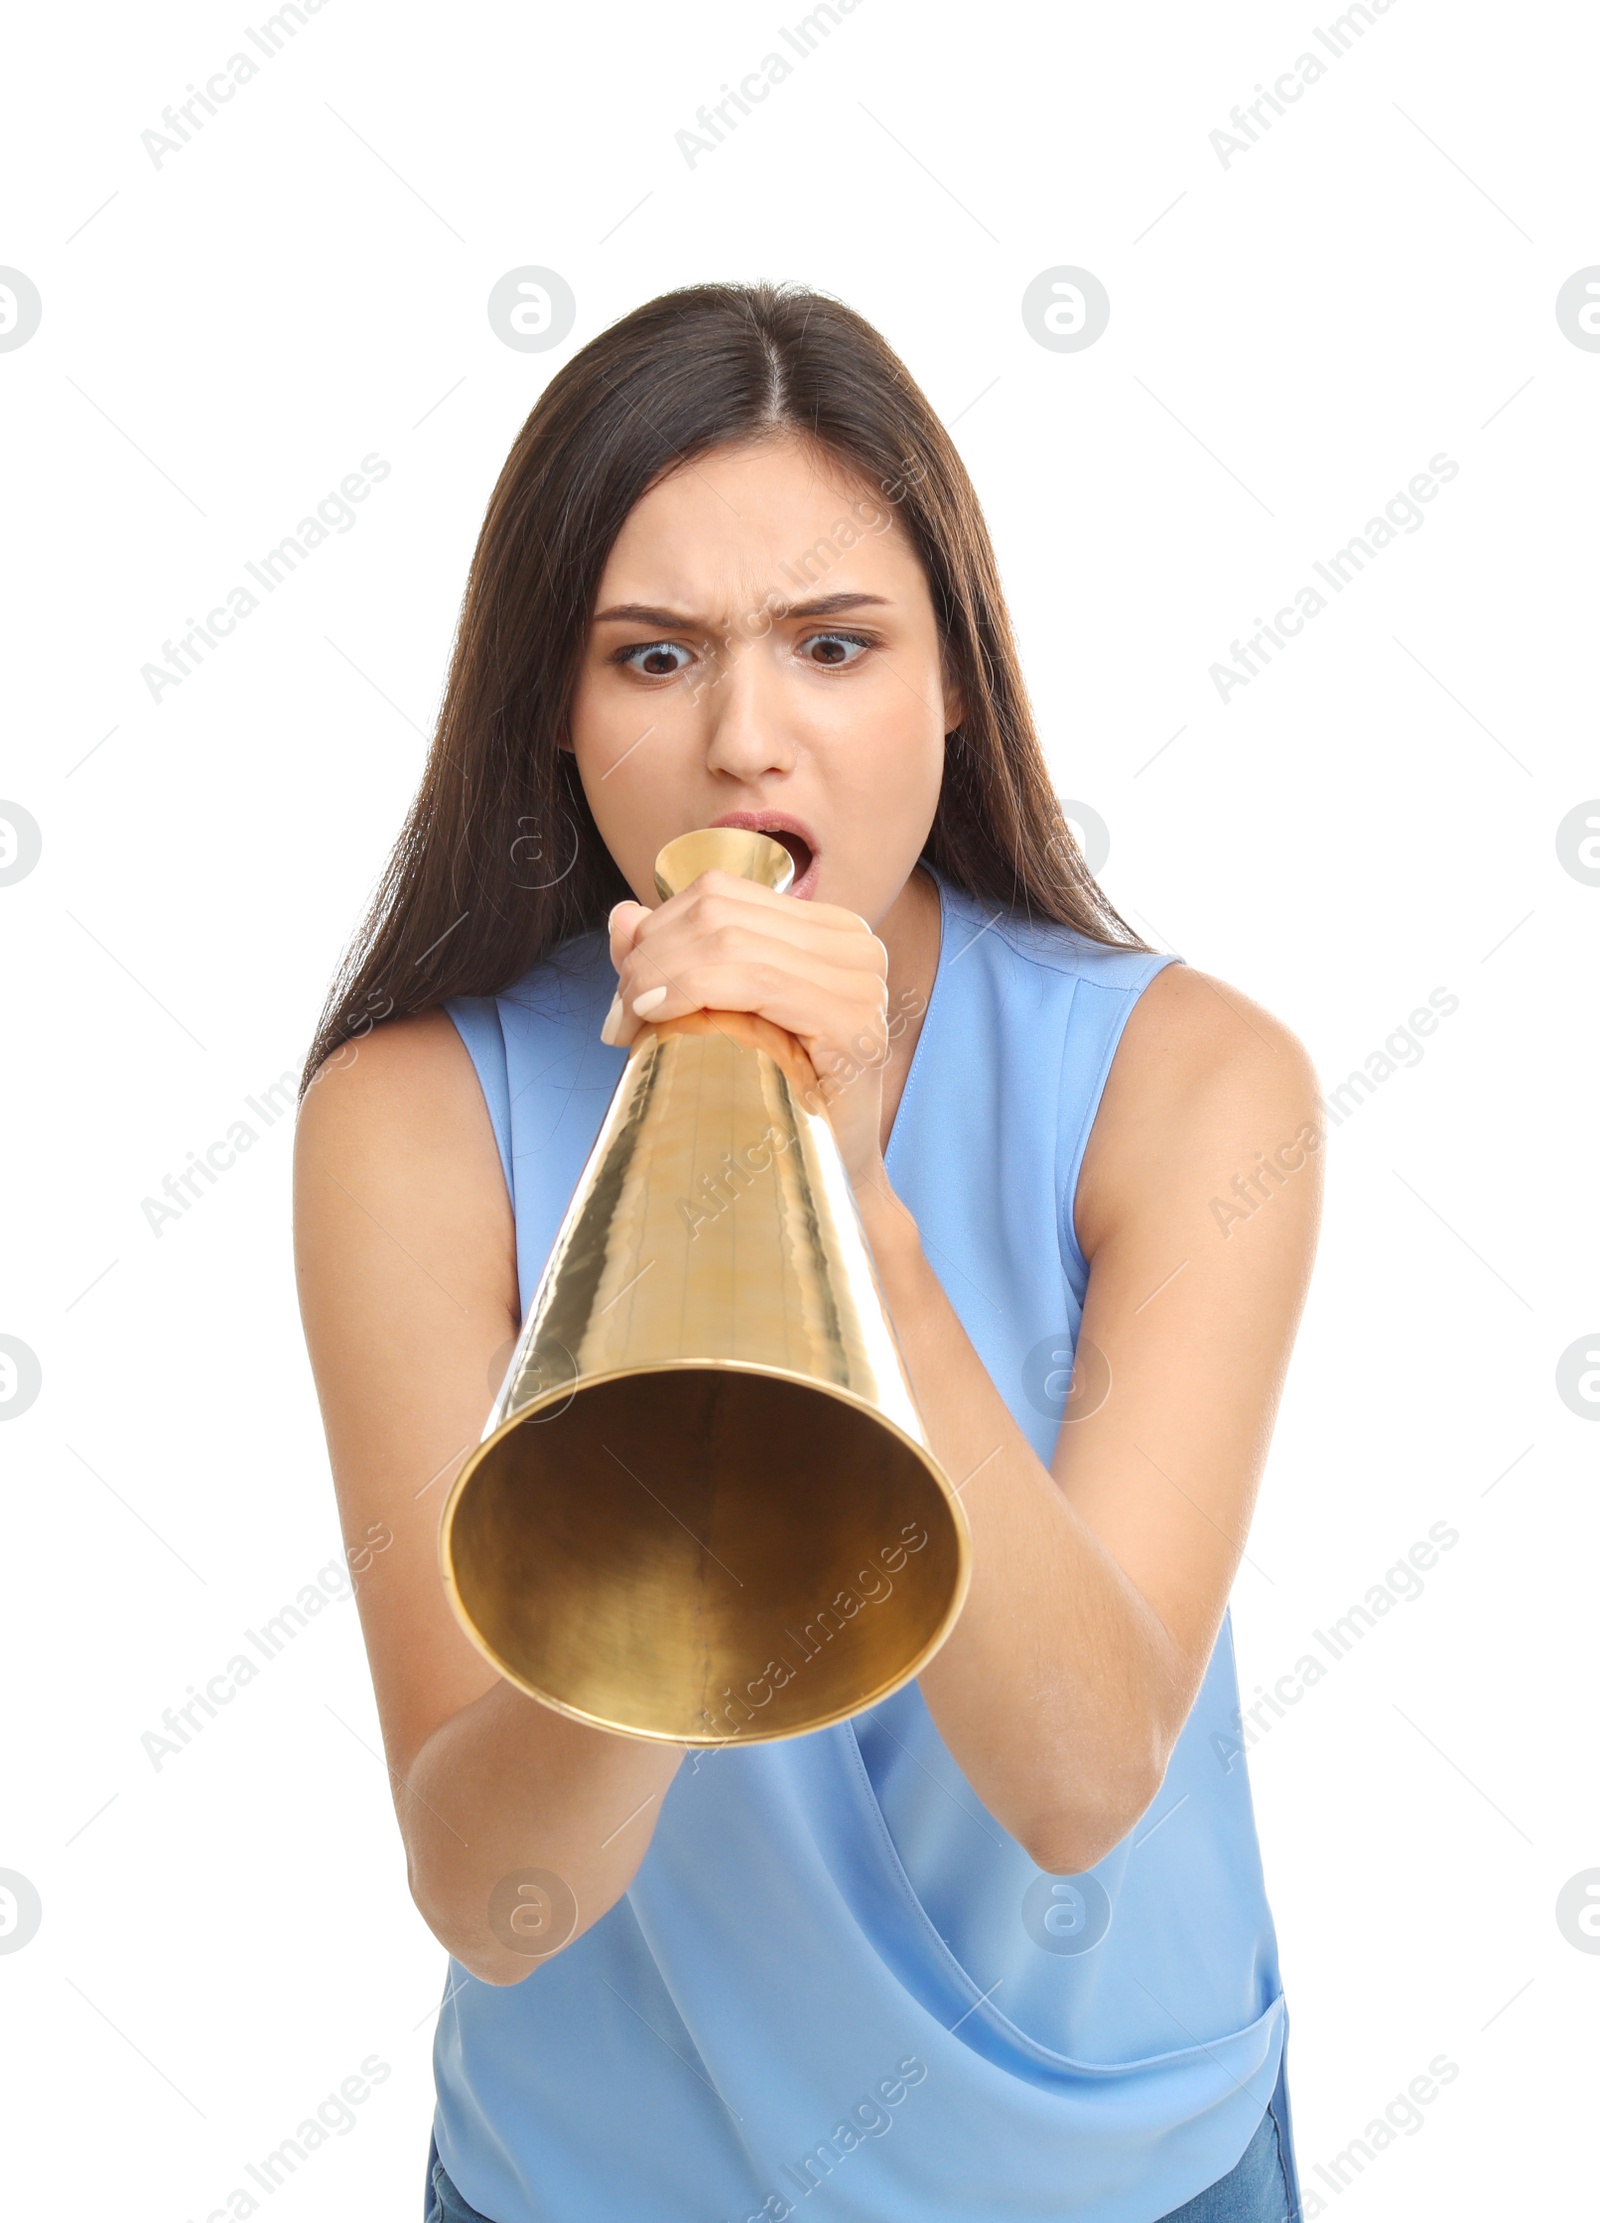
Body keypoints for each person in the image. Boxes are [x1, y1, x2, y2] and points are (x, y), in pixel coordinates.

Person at [293, 281, 1322, 2223]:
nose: (744, 744)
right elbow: (494, 1893)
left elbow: (1077, 1778)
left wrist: (847, 1203)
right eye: (653, 655)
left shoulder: (1190, 1080)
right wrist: (682, 1324)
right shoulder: (410, 1114)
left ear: (952, 679)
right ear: (555, 708)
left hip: (1119, 2175)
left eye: (833, 645)